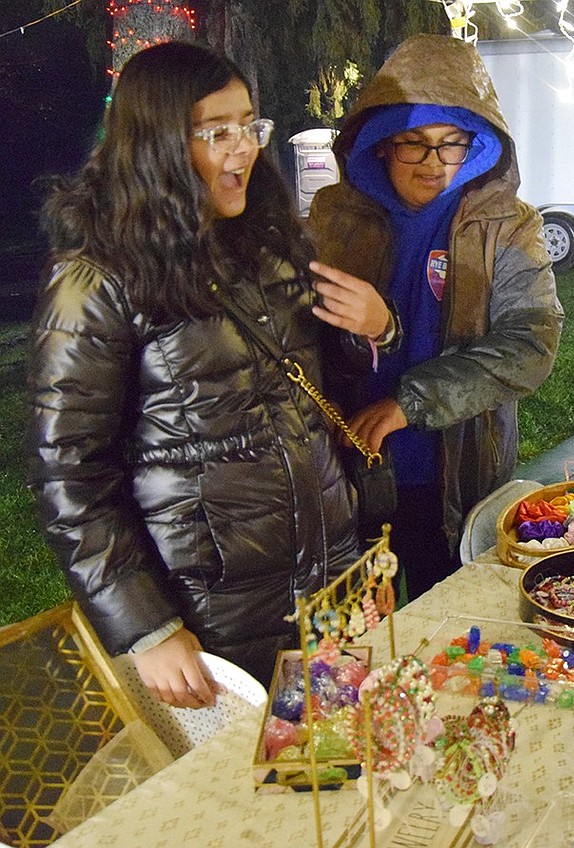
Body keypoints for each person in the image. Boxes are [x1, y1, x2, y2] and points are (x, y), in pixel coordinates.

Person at [27, 42, 362, 706]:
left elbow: (315, 392)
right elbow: (69, 472)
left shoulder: (268, 243)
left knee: (334, 780)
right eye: (217, 133)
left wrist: (375, 328)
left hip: (330, 579)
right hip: (213, 610)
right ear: (156, 145)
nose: (243, 149)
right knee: (235, 798)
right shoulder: (97, 280)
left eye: (248, 126)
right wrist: (148, 628)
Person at [308, 33, 563, 602]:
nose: (433, 163)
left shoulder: (509, 228)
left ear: (477, 146)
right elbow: (300, 339)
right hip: (347, 469)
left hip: (456, 471)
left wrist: (409, 401)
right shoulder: (334, 220)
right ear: (380, 145)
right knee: (355, 635)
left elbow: (530, 346)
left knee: (454, 624)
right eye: (413, 144)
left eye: (451, 144)